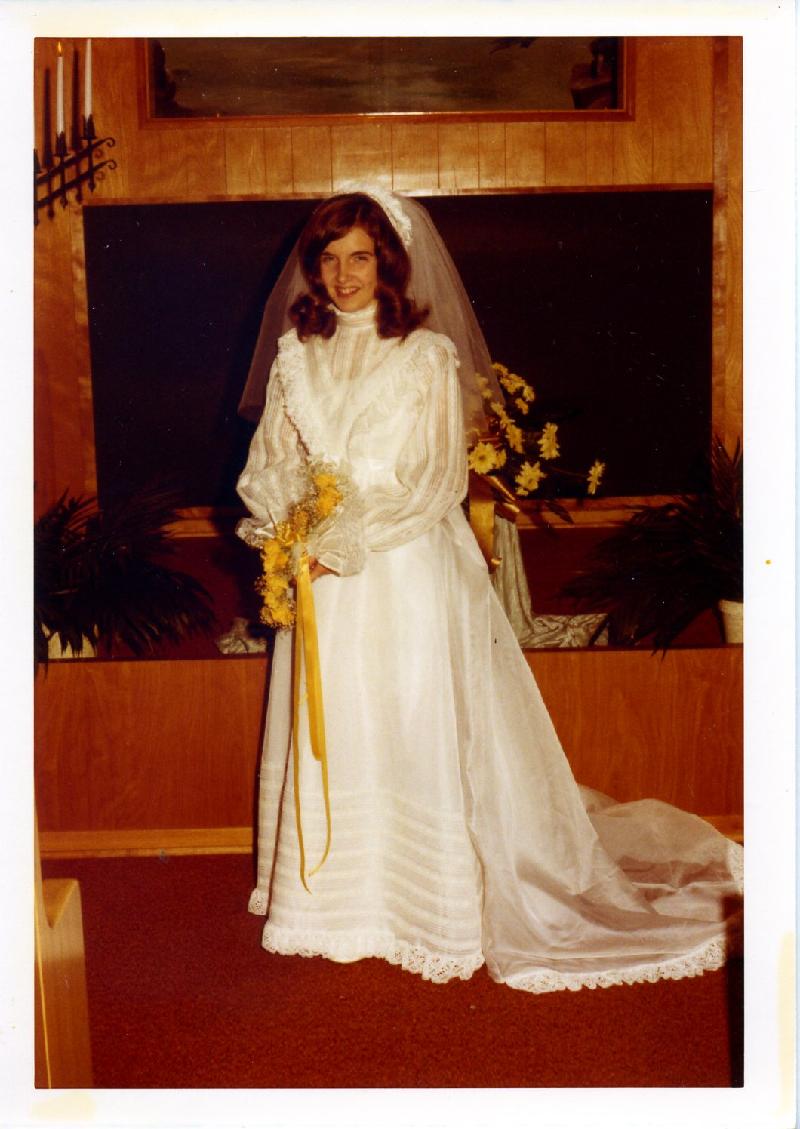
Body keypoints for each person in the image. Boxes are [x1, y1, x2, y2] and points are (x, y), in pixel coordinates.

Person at [236, 185, 742, 994]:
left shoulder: (427, 356)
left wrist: (341, 543)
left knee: (412, 719)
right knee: (343, 723)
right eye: (328, 259)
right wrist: (285, 531)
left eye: (360, 257)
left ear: (390, 263)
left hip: (402, 568)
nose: (344, 275)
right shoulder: (296, 357)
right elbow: (271, 465)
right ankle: (330, 904)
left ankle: (428, 909)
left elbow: (435, 480)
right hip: (322, 582)